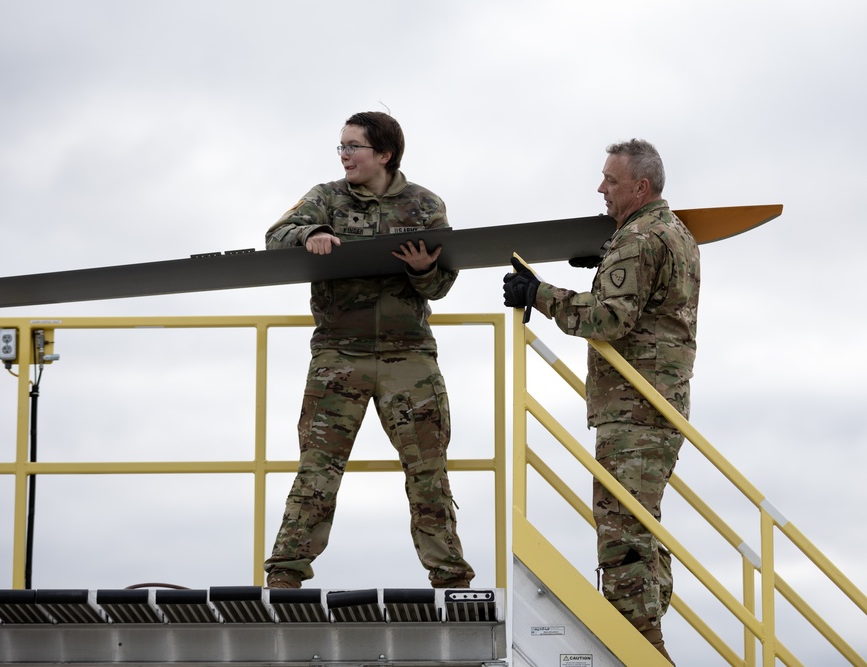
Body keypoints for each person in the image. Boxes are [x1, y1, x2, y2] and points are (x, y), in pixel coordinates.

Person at [503, 139, 698, 664]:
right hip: (657, 403)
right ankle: (648, 641)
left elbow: (610, 319)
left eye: (611, 181)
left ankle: (639, 650)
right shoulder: (674, 233)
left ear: (641, 187)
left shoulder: (638, 238)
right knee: (642, 528)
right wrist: (603, 265)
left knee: (622, 534)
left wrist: (538, 295)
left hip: (634, 409)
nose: (601, 189)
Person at [263, 111, 475, 590]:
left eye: (353, 147)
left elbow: (441, 286)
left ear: (384, 153)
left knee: (427, 470)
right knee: (318, 468)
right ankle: (285, 574)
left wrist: (423, 270)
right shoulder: (325, 199)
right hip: (340, 353)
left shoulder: (425, 204)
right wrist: (307, 235)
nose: (344, 156)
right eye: (340, 147)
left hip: (409, 356)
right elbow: (274, 237)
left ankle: (449, 577)